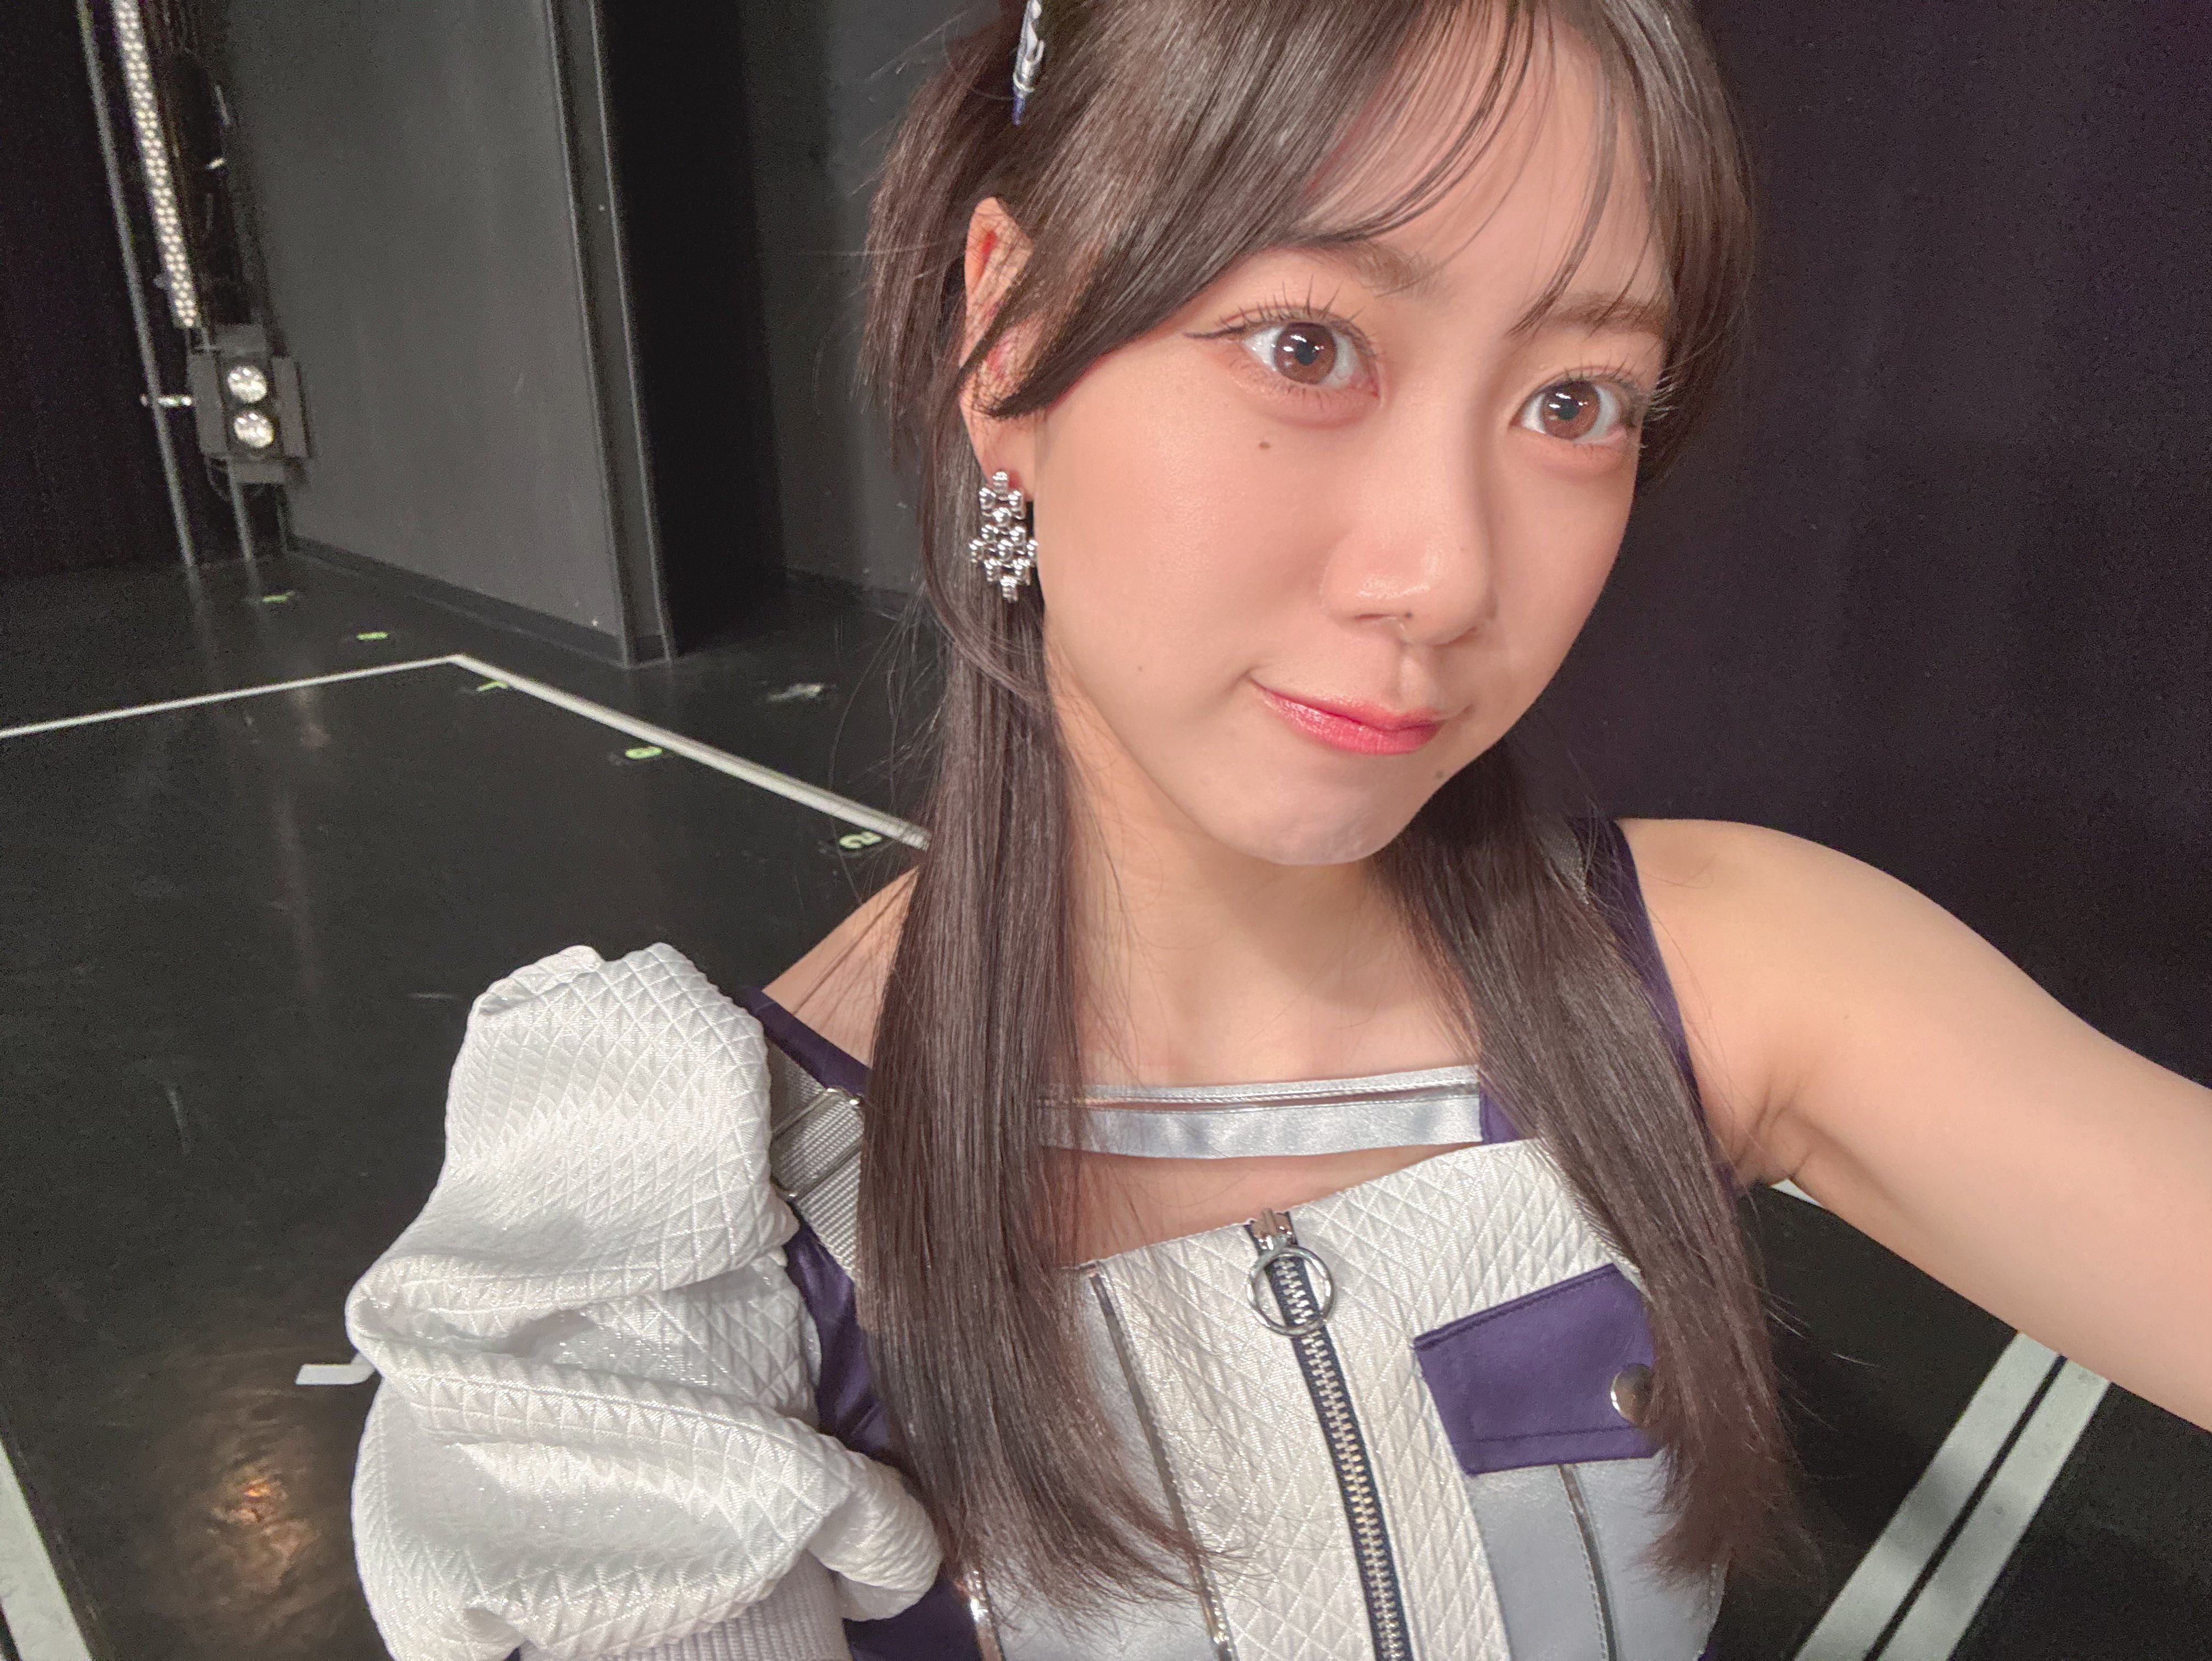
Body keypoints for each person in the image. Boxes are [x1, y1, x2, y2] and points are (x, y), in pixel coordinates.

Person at [342, 2, 2212, 1658]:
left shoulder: (1733, 977)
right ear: (1006, 339)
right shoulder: (660, 1266)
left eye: (1573, 402)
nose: (1445, 573)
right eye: (1305, 346)